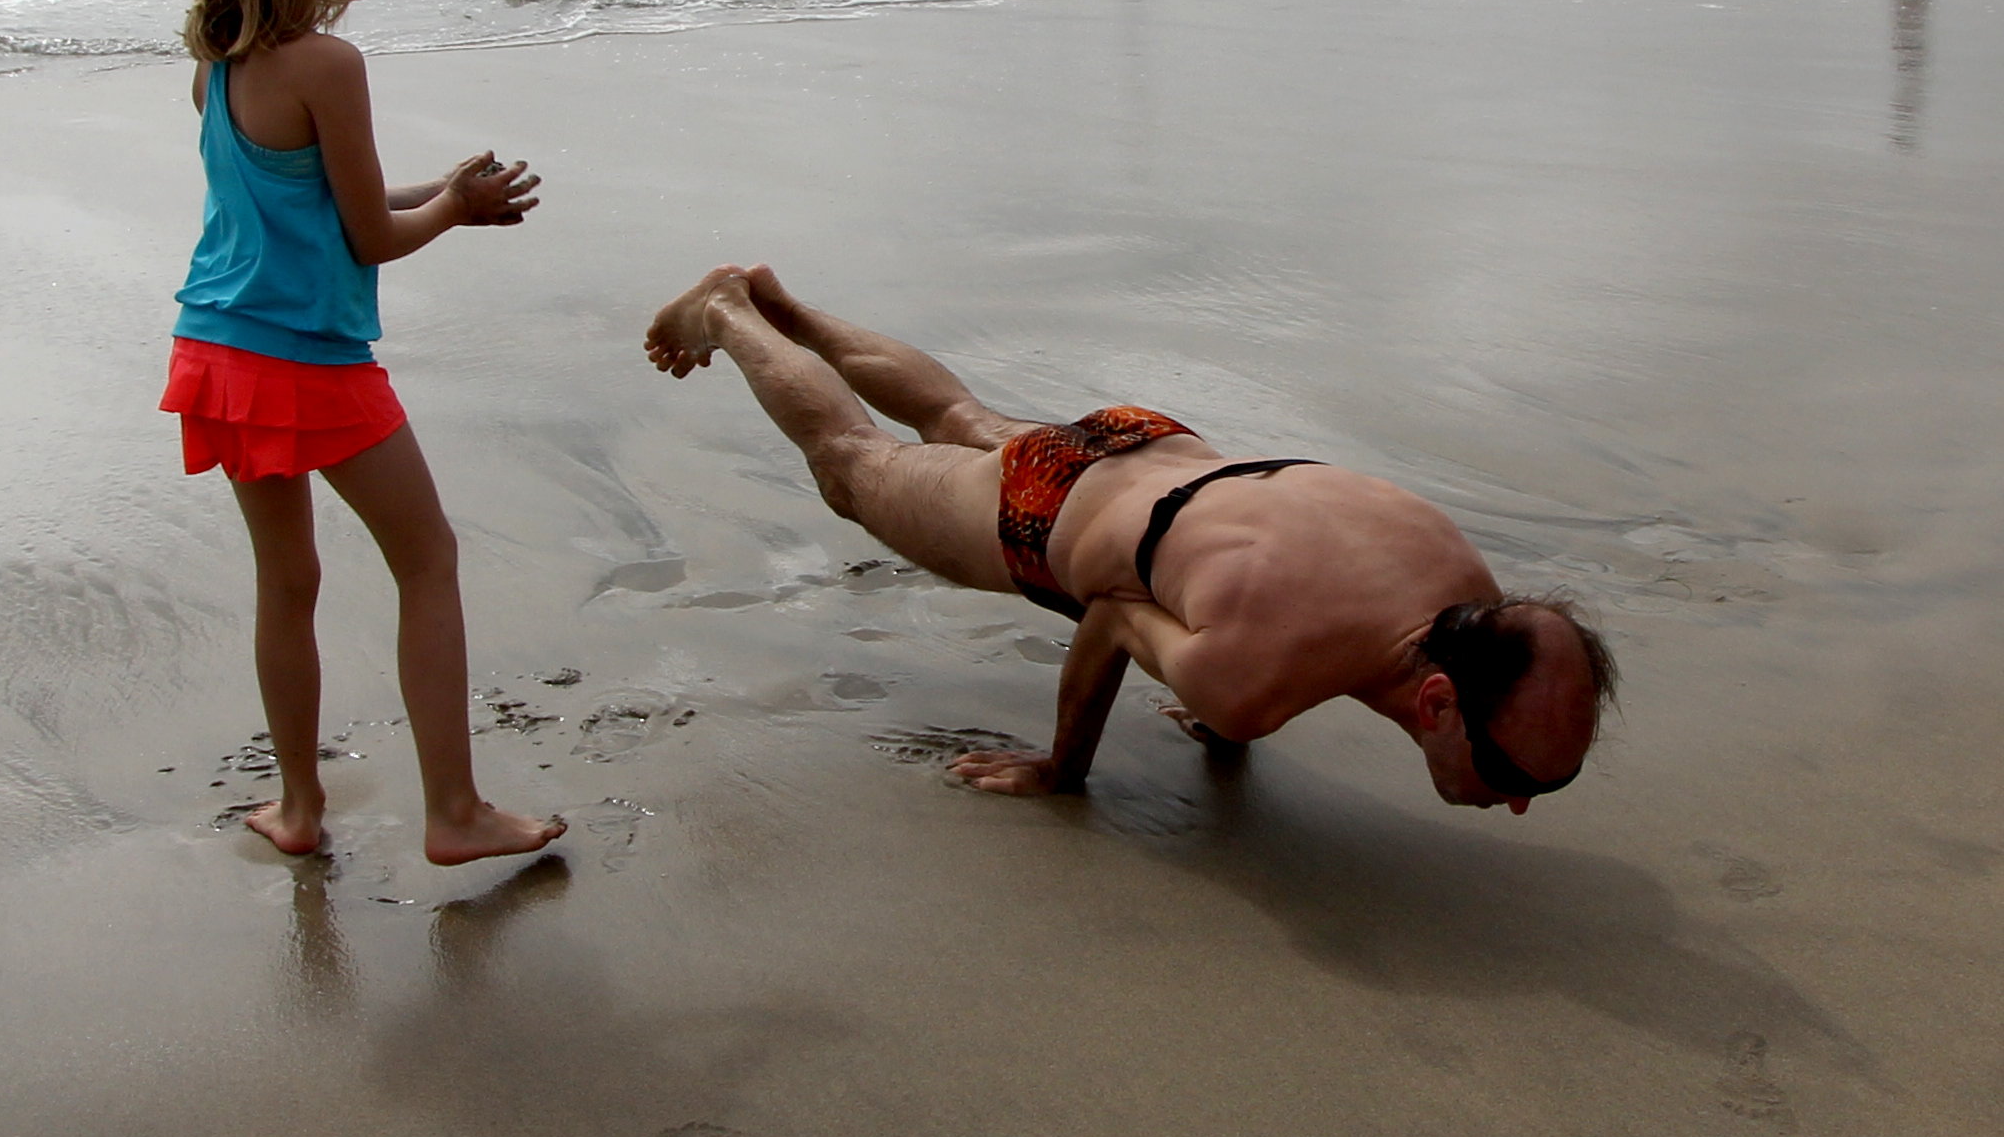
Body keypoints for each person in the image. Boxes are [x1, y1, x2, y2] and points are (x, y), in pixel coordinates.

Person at [644, 267, 1616, 812]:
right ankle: (726, 313)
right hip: (1041, 516)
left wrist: (1221, 701)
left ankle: (789, 311)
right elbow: (1112, 617)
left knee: (957, 417)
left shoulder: (1460, 582)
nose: (1519, 803)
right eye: (1514, 777)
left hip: (1152, 443)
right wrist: (1061, 770)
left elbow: (1297, 616)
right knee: (852, 465)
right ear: (1440, 700)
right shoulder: (1248, 688)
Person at [161, 0, 566, 867]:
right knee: (426, 558)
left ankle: (298, 807)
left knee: (286, 582)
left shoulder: (215, 66)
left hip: (215, 355)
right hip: (306, 362)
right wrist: (456, 212)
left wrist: (440, 186)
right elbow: (369, 237)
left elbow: (313, 203)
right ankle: (453, 811)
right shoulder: (328, 65)